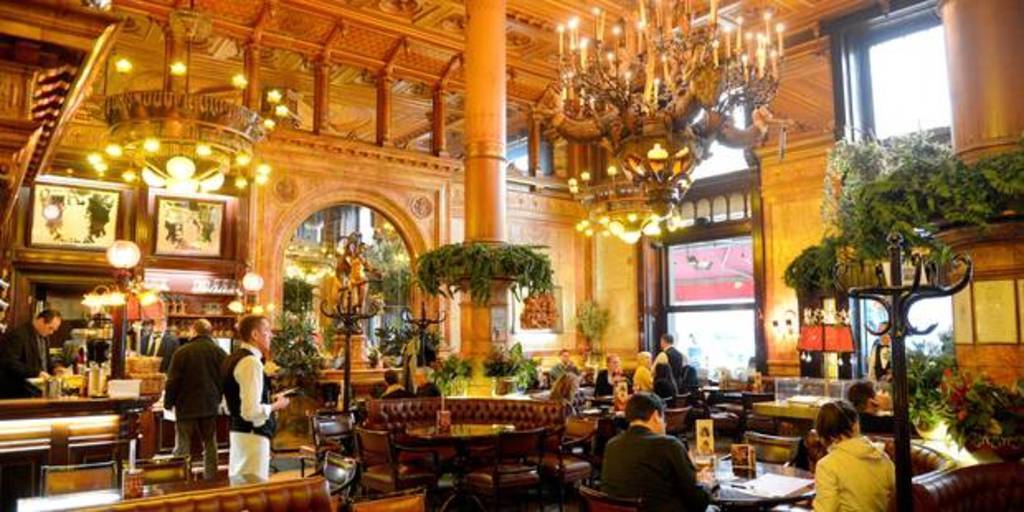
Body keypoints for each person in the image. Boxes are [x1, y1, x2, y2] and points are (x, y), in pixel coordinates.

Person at [601, 393, 711, 512]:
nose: (665, 424)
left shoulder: (611, 445)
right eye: (664, 419)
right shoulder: (669, 444)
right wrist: (705, 483)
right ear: (655, 415)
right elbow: (698, 503)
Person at [223, 315, 290, 480]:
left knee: (241, 485)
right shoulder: (250, 362)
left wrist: (268, 398)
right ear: (255, 335)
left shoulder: (233, 358)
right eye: (267, 331)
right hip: (252, 436)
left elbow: (231, 401)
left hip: (239, 433)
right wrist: (277, 405)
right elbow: (250, 412)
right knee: (254, 487)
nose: (271, 335)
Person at [165, 319, 227, 480]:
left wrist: (168, 403)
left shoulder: (182, 352)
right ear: (209, 332)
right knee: (210, 443)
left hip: (186, 404)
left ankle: (181, 477)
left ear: (193, 331)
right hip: (210, 404)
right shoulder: (219, 352)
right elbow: (226, 378)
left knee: (183, 444)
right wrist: (219, 397)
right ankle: (210, 478)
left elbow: (173, 380)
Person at [812, 400, 895, 512]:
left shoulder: (827, 466)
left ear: (823, 435)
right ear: (856, 425)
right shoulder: (882, 456)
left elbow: (826, 509)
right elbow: (895, 496)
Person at [0, 310, 62, 399]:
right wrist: (36, 373)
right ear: (41, 321)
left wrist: (55, 368)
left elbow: (44, 360)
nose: (51, 332)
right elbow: (10, 363)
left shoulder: (44, 336)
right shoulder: (18, 335)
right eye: (50, 328)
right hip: (20, 391)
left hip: (39, 389)